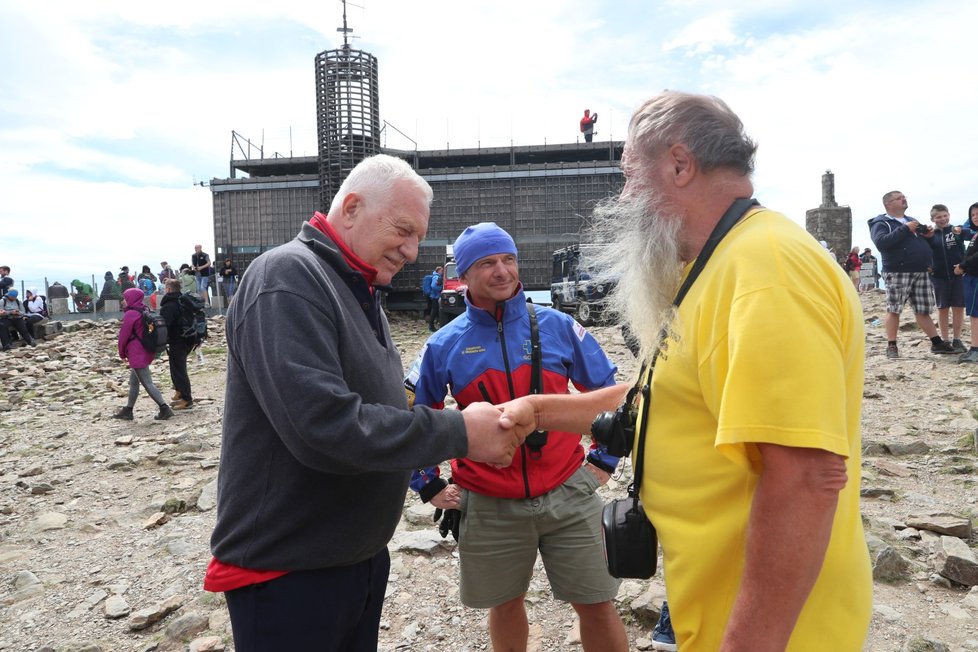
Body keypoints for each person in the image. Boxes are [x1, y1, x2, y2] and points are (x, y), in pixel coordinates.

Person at [498, 91, 872, 650]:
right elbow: (672, 395)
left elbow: (805, 476)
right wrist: (540, 411)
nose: (623, 196)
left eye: (629, 175)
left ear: (679, 164)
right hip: (716, 603)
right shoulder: (716, 263)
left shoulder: (764, 270)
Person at [205, 154, 527, 651]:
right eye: (403, 229)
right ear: (351, 207)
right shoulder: (286, 277)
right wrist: (461, 432)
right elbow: (324, 427)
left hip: (354, 559)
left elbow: (382, 408)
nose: (413, 250)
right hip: (288, 572)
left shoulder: (359, 288)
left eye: (419, 235)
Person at [406, 223, 629, 652]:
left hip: (569, 492)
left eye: (508, 259)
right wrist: (428, 483)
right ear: (464, 273)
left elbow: (612, 395)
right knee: (505, 606)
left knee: (598, 603)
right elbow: (415, 418)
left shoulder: (559, 326)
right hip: (489, 502)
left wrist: (602, 461)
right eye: (487, 262)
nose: (502, 271)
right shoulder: (443, 345)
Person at [869, 190, 955, 358]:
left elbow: (922, 243)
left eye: (904, 197)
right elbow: (881, 243)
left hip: (921, 271)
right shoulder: (881, 223)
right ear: (888, 204)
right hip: (897, 272)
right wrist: (904, 229)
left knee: (923, 310)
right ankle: (891, 345)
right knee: (894, 309)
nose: (904, 199)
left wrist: (929, 237)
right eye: (899, 198)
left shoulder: (911, 221)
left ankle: (937, 343)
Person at [112, 288, 173, 421]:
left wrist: (122, 353)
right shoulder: (144, 310)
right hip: (146, 351)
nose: (123, 301)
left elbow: (124, 336)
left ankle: (165, 408)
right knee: (134, 381)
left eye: (125, 298)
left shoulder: (131, 314)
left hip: (136, 353)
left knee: (147, 383)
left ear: (131, 299)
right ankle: (128, 410)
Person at [926, 204, 967, 352]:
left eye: (945, 216)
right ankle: (945, 340)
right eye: (938, 217)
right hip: (938, 277)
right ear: (932, 219)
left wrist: (961, 230)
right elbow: (921, 250)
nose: (942, 219)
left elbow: (971, 234)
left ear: (949, 215)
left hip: (958, 276)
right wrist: (927, 266)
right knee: (942, 308)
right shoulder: (929, 235)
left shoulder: (956, 230)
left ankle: (957, 339)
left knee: (958, 307)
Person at [159, 279, 195, 409]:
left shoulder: (169, 305)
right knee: (176, 366)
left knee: (179, 369)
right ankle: (179, 391)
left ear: (168, 289)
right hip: (189, 339)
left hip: (177, 340)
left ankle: (187, 399)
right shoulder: (184, 301)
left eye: (165, 288)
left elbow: (164, 325)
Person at [954, 201, 978, 363]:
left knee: (976, 314)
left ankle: (975, 350)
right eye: (973, 215)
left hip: (975, 277)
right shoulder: (975, 233)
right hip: (971, 276)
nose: (975, 217)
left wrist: (962, 266)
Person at [426, 264, 443, 331]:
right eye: (442, 270)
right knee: (434, 311)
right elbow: (433, 286)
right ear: (438, 271)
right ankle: (431, 327)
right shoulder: (436, 277)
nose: (442, 272)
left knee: (435, 311)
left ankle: (434, 326)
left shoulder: (437, 276)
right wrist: (441, 288)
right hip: (435, 297)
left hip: (435, 296)